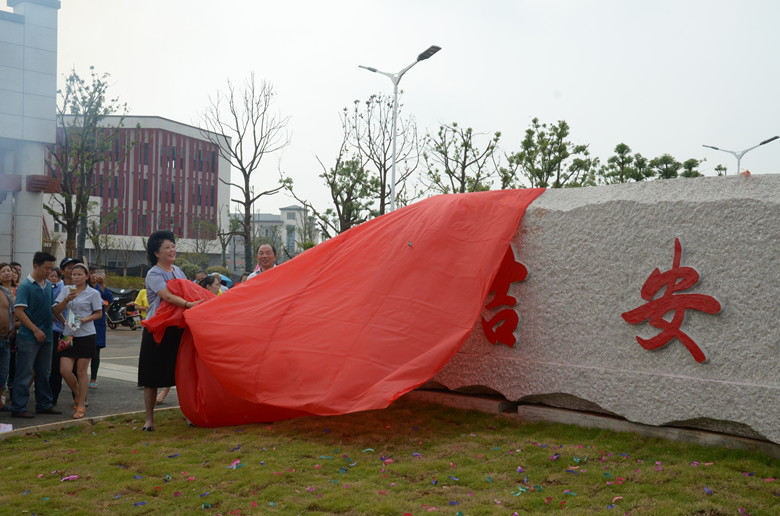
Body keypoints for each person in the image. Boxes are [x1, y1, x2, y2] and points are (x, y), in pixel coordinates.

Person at [138, 230, 202, 431]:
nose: (172, 250)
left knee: (183, 374)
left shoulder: (178, 271)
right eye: (167, 247)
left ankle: (189, 415)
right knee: (151, 376)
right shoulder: (154, 273)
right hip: (157, 329)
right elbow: (167, 296)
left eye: (173, 246)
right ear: (156, 252)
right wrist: (188, 305)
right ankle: (149, 419)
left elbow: (190, 290)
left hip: (177, 328)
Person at [10, 252, 64, 418]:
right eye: (46, 268)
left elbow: (53, 309)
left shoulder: (47, 285)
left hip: (47, 336)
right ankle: (19, 407)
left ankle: (44, 404)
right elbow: (19, 311)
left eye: (51, 268)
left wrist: (66, 324)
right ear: (35, 266)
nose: (49, 272)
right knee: (25, 372)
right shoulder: (26, 286)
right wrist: (35, 329)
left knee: (44, 372)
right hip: (28, 337)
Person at [53, 263, 103, 419]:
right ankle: (78, 394)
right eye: (73, 274)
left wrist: (85, 319)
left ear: (87, 276)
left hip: (86, 334)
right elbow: (55, 309)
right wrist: (66, 302)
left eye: (79, 274)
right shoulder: (67, 290)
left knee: (81, 371)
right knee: (65, 370)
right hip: (69, 334)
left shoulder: (93, 293)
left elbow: (99, 313)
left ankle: (81, 405)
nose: (76, 277)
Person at [50, 257, 80, 406]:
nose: (72, 270)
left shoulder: (83, 288)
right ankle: (52, 399)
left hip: (75, 333)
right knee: (55, 367)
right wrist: (64, 323)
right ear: (62, 271)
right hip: (58, 333)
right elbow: (53, 309)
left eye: (75, 267)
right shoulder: (56, 289)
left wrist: (73, 326)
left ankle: (79, 397)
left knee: (76, 368)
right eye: (69, 268)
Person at [88, 267, 113, 389]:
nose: (93, 276)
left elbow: (109, 298)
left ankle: (93, 377)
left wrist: (102, 284)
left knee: (96, 352)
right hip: (85, 322)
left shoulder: (100, 287)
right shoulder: (83, 287)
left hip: (98, 324)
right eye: (91, 274)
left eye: (95, 274)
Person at [48, 266, 65, 406]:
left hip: (63, 332)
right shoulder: (43, 288)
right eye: (51, 275)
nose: (54, 278)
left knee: (58, 366)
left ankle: (53, 397)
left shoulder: (63, 288)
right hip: (48, 332)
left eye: (56, 276)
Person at [0, 263, 16, 411]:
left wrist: (12, 329)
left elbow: (12, 313)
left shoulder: (8, 293)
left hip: (5, 338)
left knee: (3, 372)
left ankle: (1, 402)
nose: (6, 273)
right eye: (3, 271)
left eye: (8, 270)